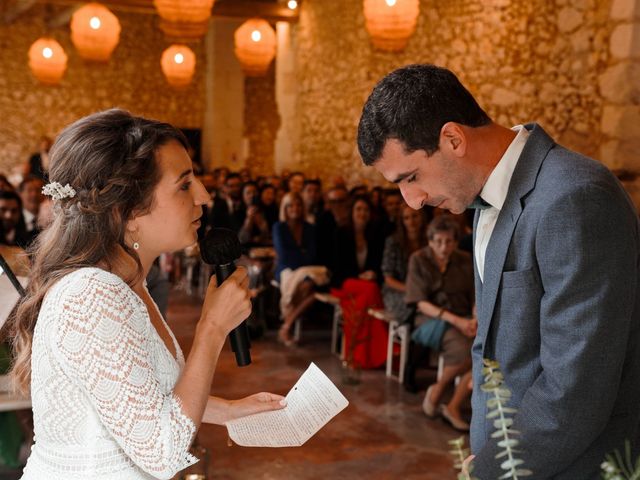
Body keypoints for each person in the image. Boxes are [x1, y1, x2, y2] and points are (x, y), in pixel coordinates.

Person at [357, 64, 640, 479]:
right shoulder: (481, 197)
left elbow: (575, 390)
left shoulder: (574, 197)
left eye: (411, 177)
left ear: (453, 139)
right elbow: (494, 349)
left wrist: (491, 470)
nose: (412, 201)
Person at [9, 109, 286, 479]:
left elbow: (140, 399)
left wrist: (228, 410)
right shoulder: (91, 294)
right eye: (185, 184)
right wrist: (212, 328)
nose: (203, 195)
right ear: (130, 210)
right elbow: (161, 452)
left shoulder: (128, 284)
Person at [404, 215, 475, 431]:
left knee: (487, 352)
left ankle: (452, 405)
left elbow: (475, 296)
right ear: (430, 241)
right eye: (439, 242)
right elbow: (420, 303)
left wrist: (475, 318)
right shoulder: (419, 259)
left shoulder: (465, 260)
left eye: (450, 242)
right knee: (467, 352)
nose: (444, 247)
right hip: (430, 319)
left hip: (463, 317)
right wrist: (458, 321)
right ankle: (439, 389)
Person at [272, 192, 327, 346]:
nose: (294, 208)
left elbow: (311, 255)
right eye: (290, 205)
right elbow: (283, 256)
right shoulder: (279, 227)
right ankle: (290, 324)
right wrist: (301, 254)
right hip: (285, 269)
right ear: (285, 208)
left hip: (307, 270)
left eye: (298, 205)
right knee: (306, 289)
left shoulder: (310, 228)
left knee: (308, 286)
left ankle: (286, 324)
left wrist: (299, 255)